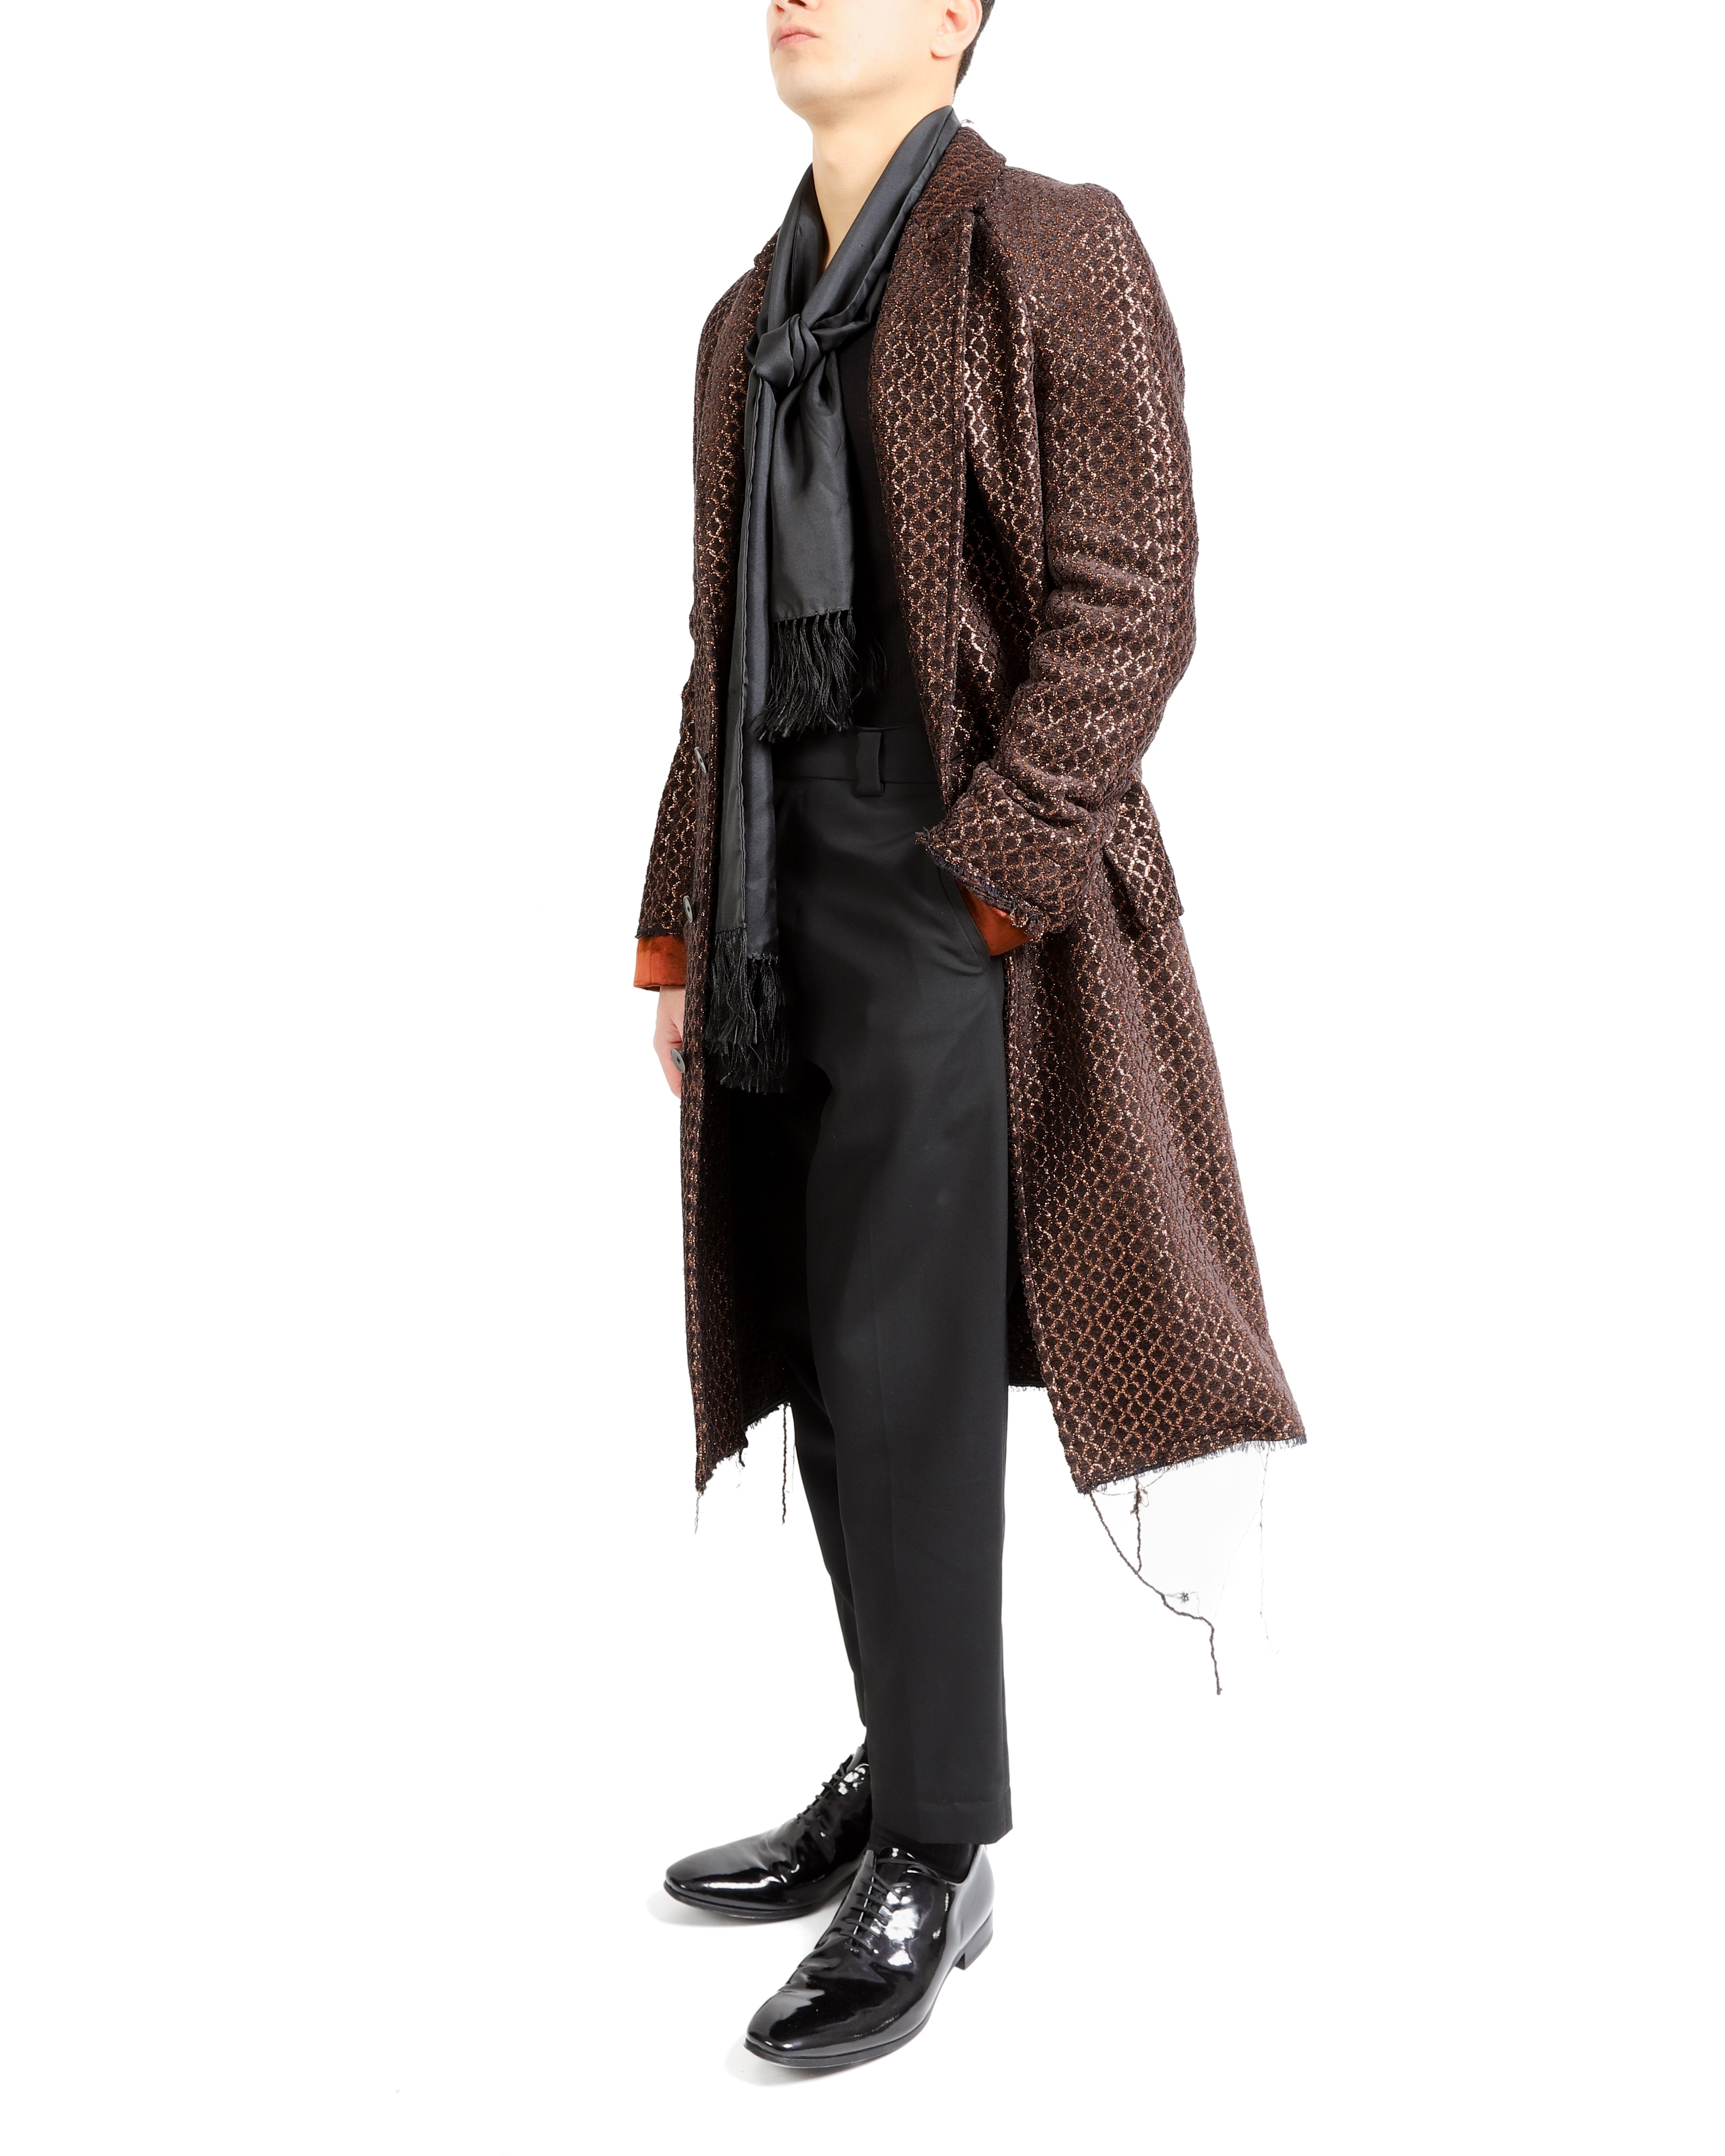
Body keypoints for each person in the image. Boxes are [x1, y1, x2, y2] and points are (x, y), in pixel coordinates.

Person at [634, 0, 1304, 2070]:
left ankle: (937, 1846)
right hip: (773, 892)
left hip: (955, 886)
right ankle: (901, 1745)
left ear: (955, 20)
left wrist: (989, 881)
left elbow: (1131, 592)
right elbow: (717, 651)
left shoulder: (1051, 243)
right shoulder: (744, 321)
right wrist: (680, 924)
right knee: (815, 1341)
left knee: (909, 1361)